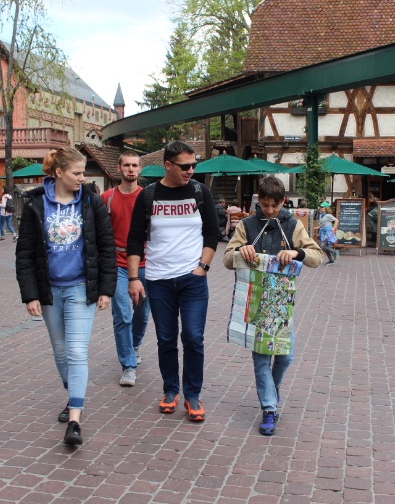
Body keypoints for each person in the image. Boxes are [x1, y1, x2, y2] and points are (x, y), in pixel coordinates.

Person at [15, 146, 117, 446]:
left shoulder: (92, 202)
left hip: (81, 288)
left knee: (76, 352)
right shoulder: (35, 204)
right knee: (60, 353)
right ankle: (73, 393)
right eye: (77, 173)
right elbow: (25, 254)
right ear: (58, 173)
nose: (82, 178)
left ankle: (74, 419)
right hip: (49, 291)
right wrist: (30, 295)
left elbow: (107, 247)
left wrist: (106, 289)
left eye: (83, 173)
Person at [126, 140, 220, 423]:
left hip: (193, 280)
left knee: (193, 337)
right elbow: (135, 238)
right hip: (158, 280)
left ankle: (192, 394)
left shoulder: (200, 192)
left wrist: (203, 267)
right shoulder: (149, 195)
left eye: (194, 165)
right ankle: (170, 390)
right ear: (168, 165)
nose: (191, 170)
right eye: (185, 166)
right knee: (166, 339)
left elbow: (212, 233)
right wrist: (134, 278)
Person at [223, 176, 322, 436]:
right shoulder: (246, 225)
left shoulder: (292, 224)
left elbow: (316, 257)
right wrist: (241, 251)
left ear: (283, 202)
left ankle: (272, 392)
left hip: (281, 302)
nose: (268, 211)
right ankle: (269, 409)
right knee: (261, 359)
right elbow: (227, 259)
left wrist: (296, 252)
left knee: (285, 356)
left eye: (274, 206)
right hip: (255, 299)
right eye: (264, 205)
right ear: (259, 200)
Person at [101, 150, 151, 387]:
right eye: (126, 165)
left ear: (140, 169)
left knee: (142, 312)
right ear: (119, 169)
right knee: (121, 314)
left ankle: (135, 344)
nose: (131, 169)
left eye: (134, 165)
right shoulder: (107, 198)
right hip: (117, 264)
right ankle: (128, 365)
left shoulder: (148, 196)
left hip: (146, 262)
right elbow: (101, 232)